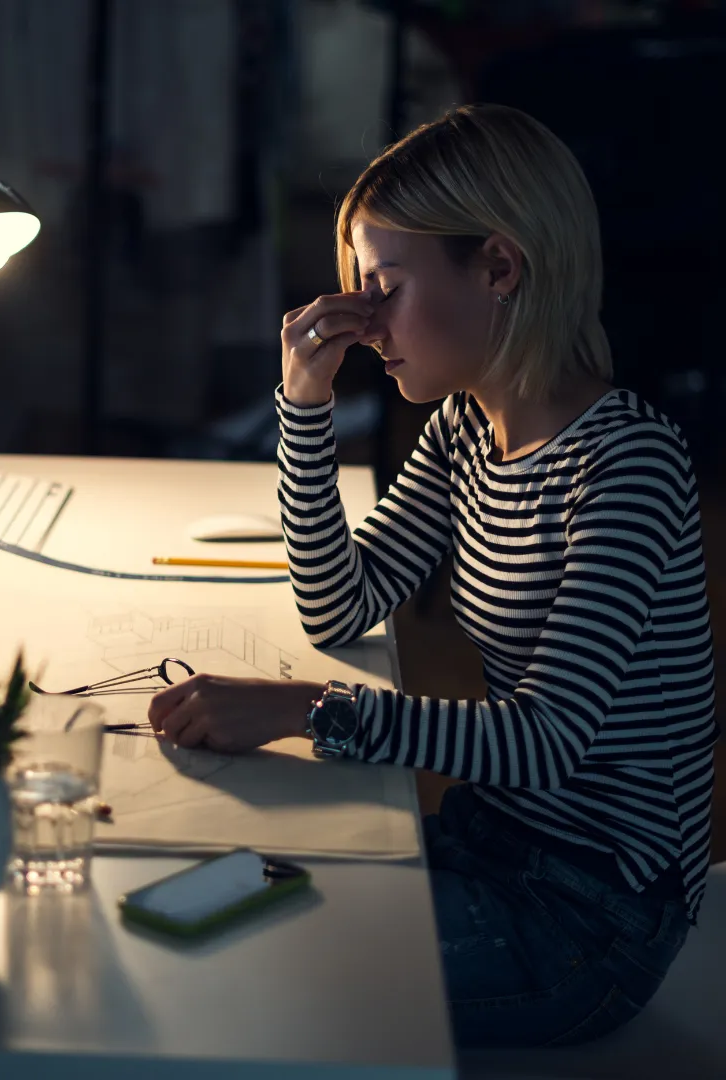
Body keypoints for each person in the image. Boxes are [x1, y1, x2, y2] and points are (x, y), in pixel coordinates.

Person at [146, 104, 719, 1048]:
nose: (365, 325)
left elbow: (545, 742)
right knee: (213, 896)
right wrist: (305, 402)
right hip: (494, 842)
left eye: (386, 288)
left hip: (592, 920)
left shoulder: (628, 468)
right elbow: (338, 605)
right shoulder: (464, 430)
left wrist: (304, 710)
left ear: (499, 267)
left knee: (249, 967)